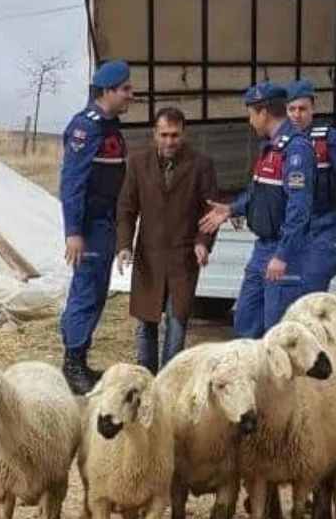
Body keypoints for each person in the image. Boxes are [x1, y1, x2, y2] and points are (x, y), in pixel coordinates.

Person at [200, 81, 316, 338]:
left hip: (283, 250)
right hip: (262, 248)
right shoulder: (269, 147)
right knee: (245, 319)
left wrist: (283, 255)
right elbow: (257, 193)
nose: (250, 120)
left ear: (263, 112)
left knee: (276, 329)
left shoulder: (295, 149)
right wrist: (231, 209)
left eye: (251, 113)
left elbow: (299, 209)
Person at [115, 107, 218, 373]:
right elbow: (126, 208)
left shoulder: (201, 164)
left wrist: (202, 242)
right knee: (146, 322)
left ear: (184, 133)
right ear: (154, 134)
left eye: (175, 135)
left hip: (183, 257)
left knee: (177, 320)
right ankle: (146, 375)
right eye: (164, 135)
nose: (169, 141)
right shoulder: (138, 164)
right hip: (148, 256)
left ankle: (169, 378)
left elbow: (211, 210)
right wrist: (124, 245)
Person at [59, 59, 133, 395]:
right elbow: (72, 183)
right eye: (126, 89)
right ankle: (72, 363)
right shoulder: (86, 128)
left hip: (104, 224)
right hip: (89, 226)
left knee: (97, 293)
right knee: (86, 293)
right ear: (107, 91)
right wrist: (73, 232)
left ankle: (81, 358)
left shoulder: (109, 127)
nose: (131, 94)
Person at [285, 78, 336, 296]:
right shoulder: (279, 141)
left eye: (302, 109)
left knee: (311, 290)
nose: (296, 115)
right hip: (290, 230)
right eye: (291, 109)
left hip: (323, 226)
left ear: (313, 109)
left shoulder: (329, 139)